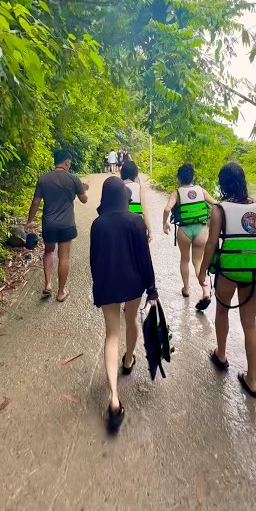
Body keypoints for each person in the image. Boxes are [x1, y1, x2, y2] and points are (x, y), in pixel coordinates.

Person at [196, 161, 256, 399]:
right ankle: (251, 382)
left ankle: (221, 356)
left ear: (222, 184)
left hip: (230, 271)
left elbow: (212, 243)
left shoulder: (220, 209)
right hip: (255, 273)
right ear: (243, 181)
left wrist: (202, 272)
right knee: (250, 323)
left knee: (222, 311)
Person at [89, 177, 158, 434]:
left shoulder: (98, 224)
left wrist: (98, 288)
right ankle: (128, 360)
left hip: (108, 285)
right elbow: (144, 258)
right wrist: (152, 287)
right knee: (131, 322)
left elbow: (94, 260)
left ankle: (114, 399)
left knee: (111, 334)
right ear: (125, 197)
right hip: (132, 284)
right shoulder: (135, 221)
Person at [27, 149, 89, 302]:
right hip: (67, 224)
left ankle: (48, 284)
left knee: (48, 252)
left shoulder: (43, 179)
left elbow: (35, 202)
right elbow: (84, 200)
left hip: (49, 223)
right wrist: (83, 188)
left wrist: (29, 221)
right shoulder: (73, 179)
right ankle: (61, 292)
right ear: (67, 161)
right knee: (64, 257)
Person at [161, 163, 216, 299]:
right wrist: (210, 222)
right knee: (198, 262)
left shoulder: (176, 193)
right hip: (201, 230)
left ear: (179, 178)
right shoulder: (201, 190)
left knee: (184, 260)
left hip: (184, 230)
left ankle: (186, 289)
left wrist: (165, 223)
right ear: (192, 177)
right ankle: (205, 291)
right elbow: (216, 204)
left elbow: (168, 209)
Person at [119, 159, 152, 242]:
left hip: (121, 225)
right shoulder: (140, 187)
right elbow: (144, 211)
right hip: (137, 225)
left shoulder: (118, 186)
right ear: (135, 174)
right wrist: (149, 231)